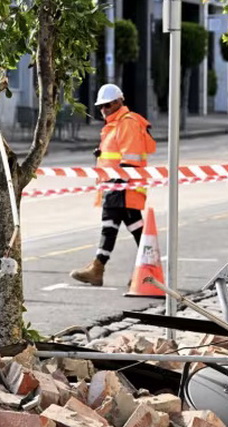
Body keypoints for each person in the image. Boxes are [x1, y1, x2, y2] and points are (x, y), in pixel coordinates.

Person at [69, 83, 156, 286]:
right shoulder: (115, 125)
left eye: (107, 105)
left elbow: (130, 157)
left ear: (119, 102)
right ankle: (144, 270)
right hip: (118, 186)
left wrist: (117, 184)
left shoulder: (127, 122)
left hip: (123, 186)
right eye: (101, 106)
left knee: (115, 227)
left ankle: (102, 268)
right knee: (128, 227)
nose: (103, 110)